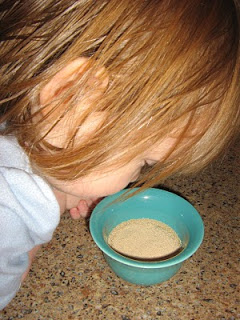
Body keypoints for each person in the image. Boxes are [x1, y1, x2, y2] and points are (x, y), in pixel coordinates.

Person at [0, 0, 239, 310]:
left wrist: (59, 191)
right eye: (144, 161)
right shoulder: (9, 215)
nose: (136, 177)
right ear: (72, 97)